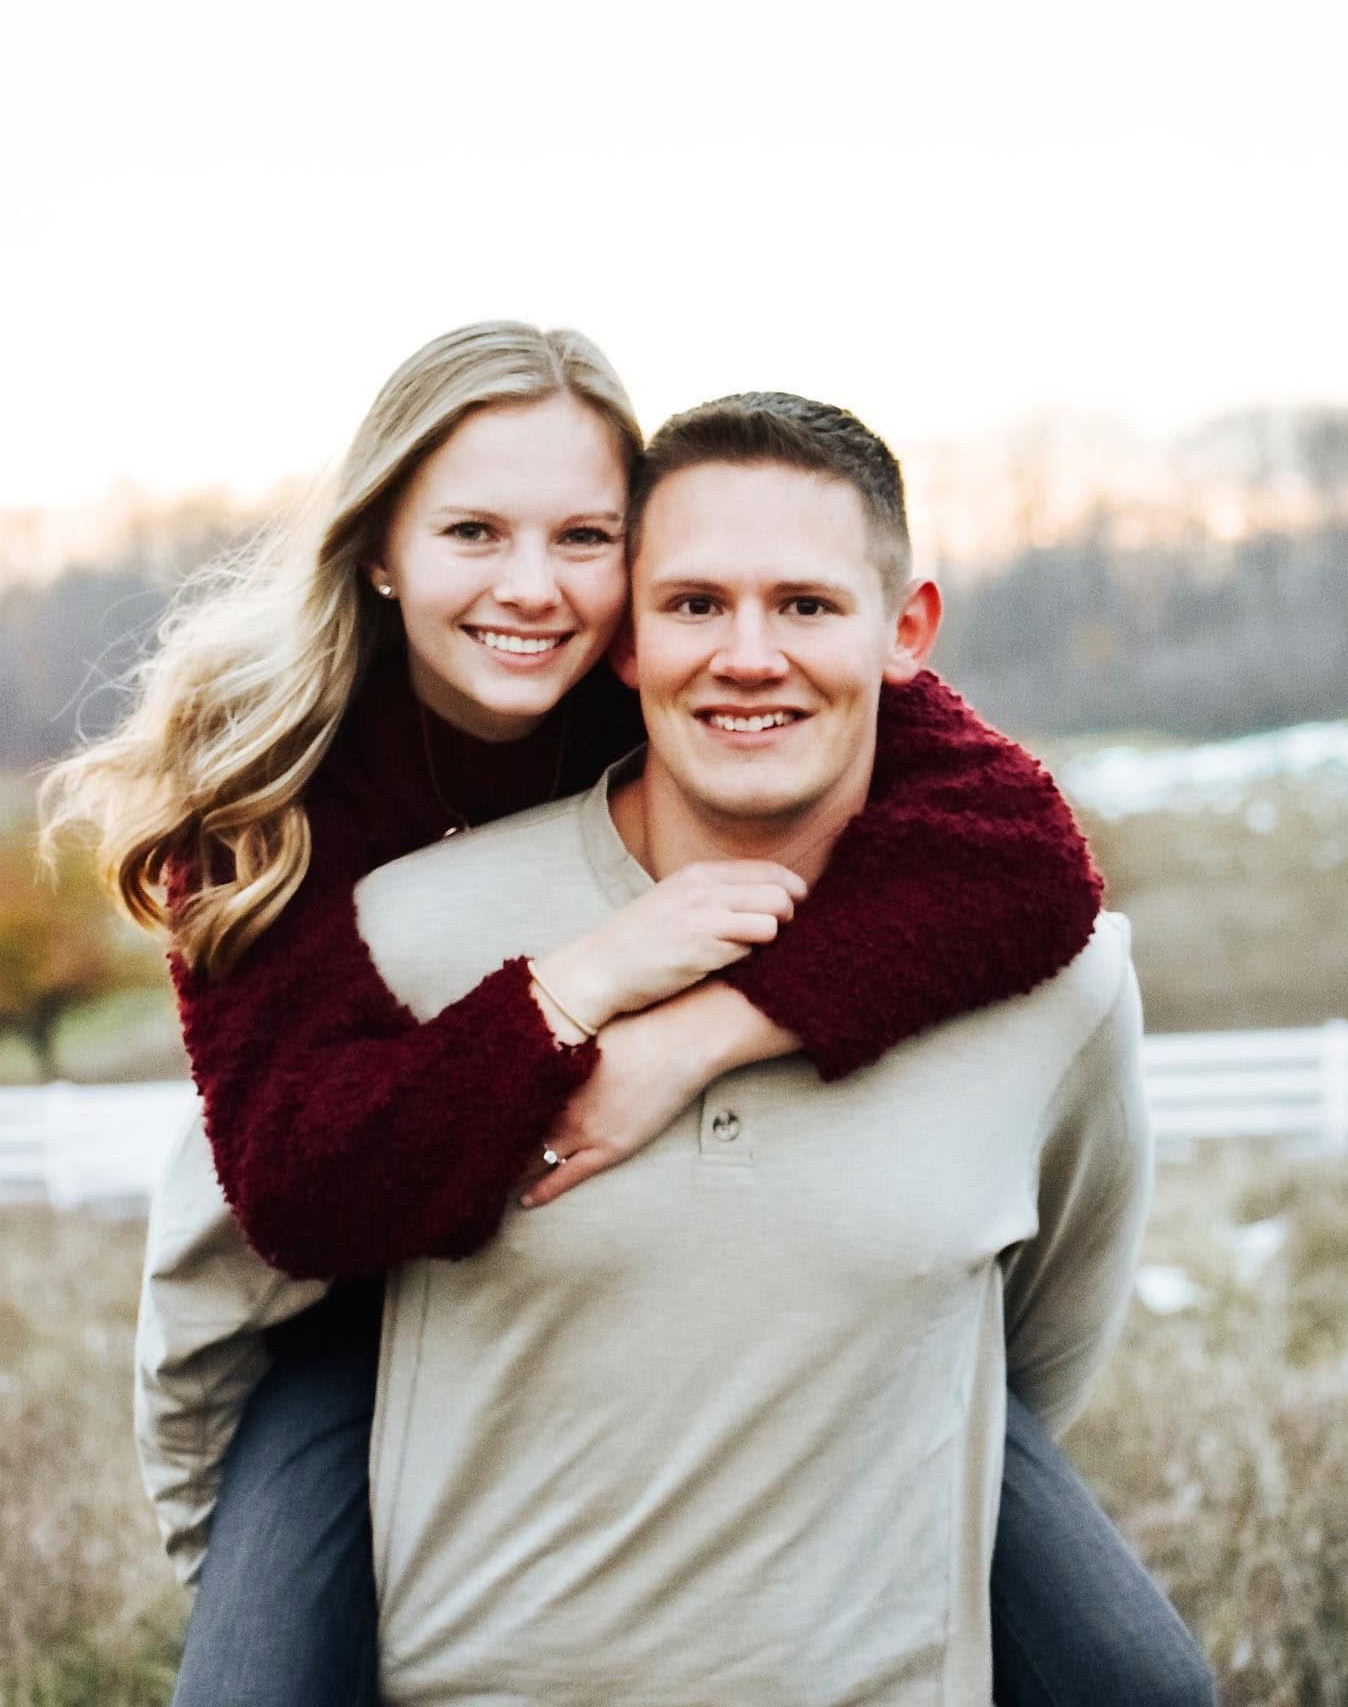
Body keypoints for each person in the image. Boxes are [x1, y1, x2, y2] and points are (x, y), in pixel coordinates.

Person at [45, 325, 1208, 1701]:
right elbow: (298, 1192)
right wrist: (570, 992)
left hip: (818, 1331)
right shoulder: (278, 796)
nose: (532, 590)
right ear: (378, 550)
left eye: (585, 537)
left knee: (1141, 1680)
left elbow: (1023, 859)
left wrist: (696, 1032)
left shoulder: (695, 667)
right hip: (370, 1289)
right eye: (472, 532)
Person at [340, 388, 1181, 1703]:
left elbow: (1026, 1361)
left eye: (803, 605)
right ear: (622, 637)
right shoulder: (406, 930)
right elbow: (222, 1338)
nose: (745, 655)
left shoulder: (1055, 985)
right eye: (691, 605)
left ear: (905, 632)